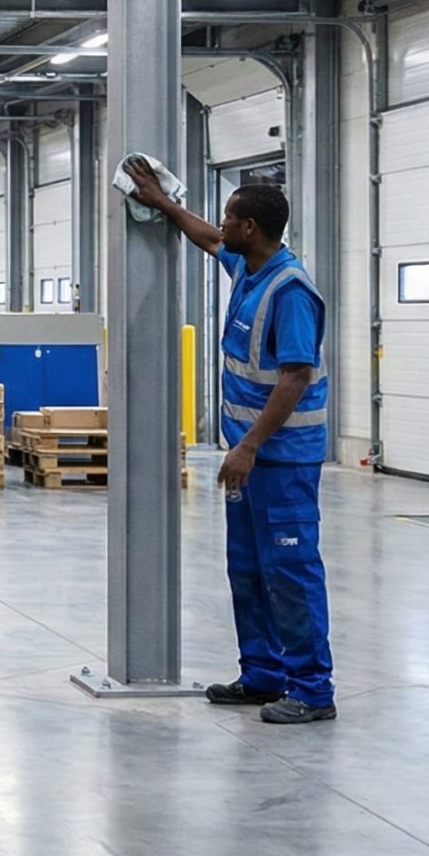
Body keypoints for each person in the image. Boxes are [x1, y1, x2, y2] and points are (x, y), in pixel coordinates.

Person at [123, 158, 337, 726]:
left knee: (290, 571)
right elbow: (205, 238)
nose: (222, 225)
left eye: (230, 218)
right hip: (250, 459)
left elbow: (294, 376)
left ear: (251, 228)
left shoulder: (291, 290)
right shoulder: (249, 267)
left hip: (282, 459)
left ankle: (313, 689)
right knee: (248, 568)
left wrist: (248, 447)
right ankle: (263, 673)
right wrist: (164, 204)